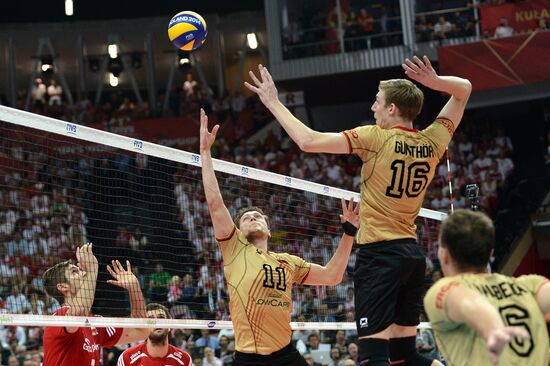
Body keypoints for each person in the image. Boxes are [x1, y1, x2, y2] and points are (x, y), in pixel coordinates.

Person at [245, 57, 472, 365]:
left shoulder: (375, 138)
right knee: (404, 356)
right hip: (411, 256)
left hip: (380, 257)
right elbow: (464, 90)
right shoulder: (433, 140)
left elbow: (308, 141)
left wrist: (272, 102)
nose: (372, 108)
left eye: (377, 102)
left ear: (392, 108)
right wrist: (435, 83)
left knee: (372, 356)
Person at [199, 109, 360, 366]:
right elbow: (216, 204)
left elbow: (332, 276)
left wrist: (349, 233)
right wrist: (205, 154)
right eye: (247, 217)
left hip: (285, 355)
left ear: (269, 230)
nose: (253, 217)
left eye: (258, 216)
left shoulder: (288, 262)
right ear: (237, 231)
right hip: (249, 358)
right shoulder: (235, 249)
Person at [424, 209, 549, 365]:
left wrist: (493, 330)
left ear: (443, 255)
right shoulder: (529, 284)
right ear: (490, 253)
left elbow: (467, 302)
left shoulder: (442, 289)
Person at [42, 243, 149, 365]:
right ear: (63, 287)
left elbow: (141, 331)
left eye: (80, 270)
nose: (83, 273)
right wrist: (92, 268)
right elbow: (79, 312)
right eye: (74, 272)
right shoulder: (58, 318)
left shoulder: (96, 323)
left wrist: (134, 289)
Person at [117, 303, 192, 365]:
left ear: (169, 326)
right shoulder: (127, 358)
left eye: (161, 318)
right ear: (144, 327)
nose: (157, 322)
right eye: (151, 319)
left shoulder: (184, 359)